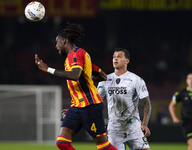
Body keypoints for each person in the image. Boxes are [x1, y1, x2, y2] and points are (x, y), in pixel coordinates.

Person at [35, 22, 117, 150]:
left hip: (90, 106)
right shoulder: (80, 55)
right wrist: (87, 78)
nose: (56, 46)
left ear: (64, 41)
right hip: (78, 106)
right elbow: (103, 76)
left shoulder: (75, 54)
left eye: (57, 42)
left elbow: (75, 75)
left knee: (103, 146)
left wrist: (48, 69)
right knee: (62, 143)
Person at [97, 48, 151, 150]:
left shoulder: (136, 80)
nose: (115, 59)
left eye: (119, 56)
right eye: (114, 57)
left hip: (134, 128)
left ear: (127, 61)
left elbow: (147, 103)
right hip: (114, 130)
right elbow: (95, 101)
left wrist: (144, 124)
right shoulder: (105, 80)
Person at [169, 73, 192, 150]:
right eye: (189, 78)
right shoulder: (181, 93)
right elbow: (171, 105)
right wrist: (174, 117)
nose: (191, 80)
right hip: (187, 124)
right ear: (186, 81)